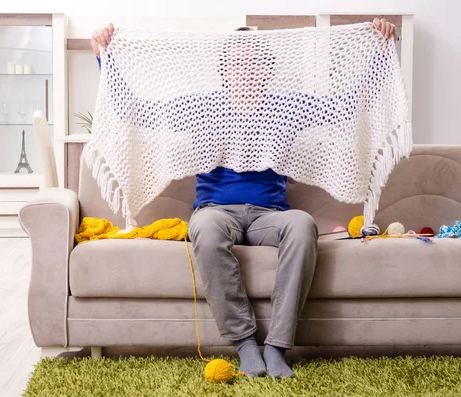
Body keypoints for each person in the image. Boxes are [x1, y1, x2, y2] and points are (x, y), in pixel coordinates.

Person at [91, 18, 397, 379]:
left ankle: (277, 346)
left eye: (254, 60)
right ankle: (247, 345)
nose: (246, 67)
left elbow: (347, 107)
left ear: (267, 68)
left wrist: (380, 50)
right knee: (203, 227)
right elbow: (138, 112)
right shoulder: (203, 107)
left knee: (302, 224)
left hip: (271, 215)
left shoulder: (285, 106)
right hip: (217, 212)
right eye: (237, 61)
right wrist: (105, 58)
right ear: (225, 68)